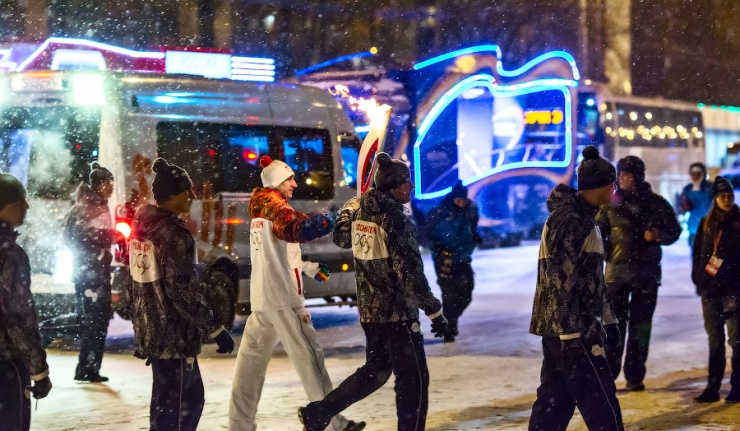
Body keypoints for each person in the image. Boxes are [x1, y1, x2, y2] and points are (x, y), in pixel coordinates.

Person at [299, 152, 448, 431]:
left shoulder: (359, 211)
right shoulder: (396, 220)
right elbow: (410, 273)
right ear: (394, 187)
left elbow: (341, 237)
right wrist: (434, 311)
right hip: (398, 314)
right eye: (407, 182)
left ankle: (319, 412)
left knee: (375, 371)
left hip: (370, 312)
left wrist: (349, 208)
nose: (411, 186)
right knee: (413, 381)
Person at [229, 155, 364, 431]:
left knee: (250, 366)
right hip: (284, 299)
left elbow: (281, 253)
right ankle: (334, 424)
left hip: (263, 299)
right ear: (277, 182)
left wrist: (310, 268)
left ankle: (239, 424)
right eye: (289, 180)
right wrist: (335, 218)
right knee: (310, 359)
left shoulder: (262, 212)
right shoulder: (276, 210)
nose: (294, 184)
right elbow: (298, 228)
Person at [126, 158, 234, 431]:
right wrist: (215, 328)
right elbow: (182, 291)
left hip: (154, 330)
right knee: (181, 407)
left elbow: (134, 283)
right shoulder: (173, 235)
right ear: (172, 196)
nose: (193, 197)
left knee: (172, 404)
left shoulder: (142, 229)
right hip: (174, 335)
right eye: (188, 191)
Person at [528, 145, 623, 431]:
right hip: (575, 329)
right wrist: (570, 334)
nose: (614, 190)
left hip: (564, 328)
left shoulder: (581, 218)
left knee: (555, 402)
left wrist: (609, 320)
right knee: (601, 402)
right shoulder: (571, 220)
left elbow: (592, 279)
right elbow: (560, 278)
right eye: (612, 184)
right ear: (602, 185)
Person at [596, 155, 681, 391]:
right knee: (613, 328)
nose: (622, 178)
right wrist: (607, 253)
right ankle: (608, 375)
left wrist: (658, 236)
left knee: (640, 329)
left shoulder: (656, 203)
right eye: (620, 174)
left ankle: (634, 376)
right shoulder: (609, 204)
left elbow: (674, 230)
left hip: (646, 275)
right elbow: (596, 233)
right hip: (616, 275)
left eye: (627, 174)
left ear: (638, 176)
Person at [0, 173, 53, 431]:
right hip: (5, 362)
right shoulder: (10, 254)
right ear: (7, 204)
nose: (27, 206)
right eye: (22, 200)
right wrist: (39, 371)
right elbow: (19, 317)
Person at [63, 162, 116, 382]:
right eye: (108, 183)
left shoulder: (99, 205)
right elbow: (75, 237)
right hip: (90, 275)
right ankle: (86, 368)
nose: (111, 187)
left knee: (98, 321)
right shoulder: (85, 207)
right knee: (93, 321)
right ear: (98, 185)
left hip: (96, 272)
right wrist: (105, 240)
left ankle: (89, 367)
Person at [691, 176, 740, 403]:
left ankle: (737, 387)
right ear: (715, 199)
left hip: (734, 290)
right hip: (710, 291)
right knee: (715, 340)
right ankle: (713, 388)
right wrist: (699, 278)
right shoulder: (706, 223)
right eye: (722, 196)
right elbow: (697, 253)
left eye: (729, 195)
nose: (727, 199)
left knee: (737, 341)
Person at [423, 180, 480, 342]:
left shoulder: (471, 209)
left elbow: (472, 227)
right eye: (458, 200)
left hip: (463, 257)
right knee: (449, 294)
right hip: (444, 258)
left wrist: (474, 237)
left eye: (463, 200)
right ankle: (449, 327)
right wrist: (437, 246)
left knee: (466, 293)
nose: (461, 203)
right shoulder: (440, 211)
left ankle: (450, 321)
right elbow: (425, 234)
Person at [679, 162, 713, 247]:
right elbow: (680, 207)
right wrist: (684, 207)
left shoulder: (710, 187)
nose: (695, 176)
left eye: (698, 173)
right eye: (693, 173)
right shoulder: (687, 189)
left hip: (709, 227)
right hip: (693, 227)